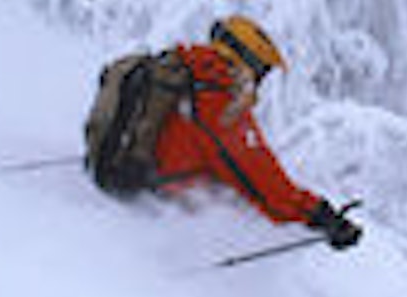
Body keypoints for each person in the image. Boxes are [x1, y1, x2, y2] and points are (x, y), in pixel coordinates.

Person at [154, 15, 362, 251]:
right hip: (167, 210)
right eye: (260, 70)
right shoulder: (218, 99)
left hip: (159, 194)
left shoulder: (192, 76)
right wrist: (321, 216)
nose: (258, 82)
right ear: (243, 60)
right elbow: (266, 185)